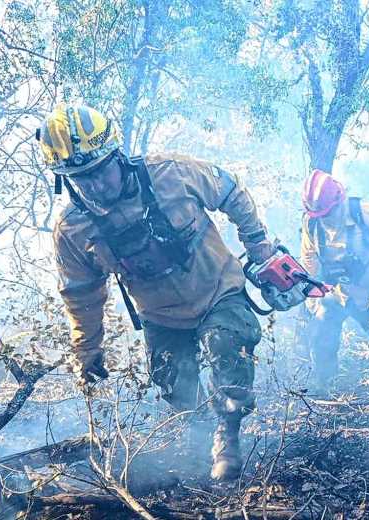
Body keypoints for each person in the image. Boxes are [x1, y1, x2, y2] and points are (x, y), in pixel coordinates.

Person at [38, 103, 276, 481]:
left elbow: (231, 191)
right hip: (160, 315)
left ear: (118, 156)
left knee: (226, 343)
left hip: (218, 290)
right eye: (82, 178)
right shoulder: (73, 229)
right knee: (173, 385)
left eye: (101, 170)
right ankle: (198, 444)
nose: (97, 185)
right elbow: (81, 295)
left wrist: (259, 244)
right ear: (65, 179)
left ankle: (227, 433)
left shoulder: (172, 173)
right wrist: (88, 350)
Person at [298, 169, 369, 390]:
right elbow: (309, 258)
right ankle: (326, 388)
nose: (324, 219)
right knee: (321, 335)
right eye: (319, 215)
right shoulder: (311, 224)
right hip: (337, 294)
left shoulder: (364, 213)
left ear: (339, 201)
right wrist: (312, 292)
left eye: (327, 213)